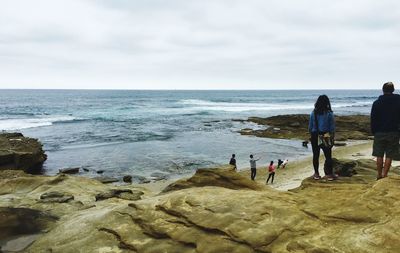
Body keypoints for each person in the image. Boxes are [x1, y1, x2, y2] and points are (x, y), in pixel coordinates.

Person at [370, 82, 400, 179]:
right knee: (389, 155)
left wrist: (373, 131)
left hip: (379, 131)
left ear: (383, 90)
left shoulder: (377, 103)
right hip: (394, 131)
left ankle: (379, 175)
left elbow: (373, 118)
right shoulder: (398, 101)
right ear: (393, 90)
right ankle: (385, 174)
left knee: (379, 154)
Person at [309, 95, 336, 180]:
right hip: (325, 135)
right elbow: (332, 128)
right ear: (327, 103)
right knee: (328, 156)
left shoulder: (313, 113)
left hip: (315, 135)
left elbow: (310, 127)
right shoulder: (329, 113)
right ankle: (329, 175)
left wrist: (312, 135)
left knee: (315, 155)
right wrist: (332, 138)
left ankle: (316, 174)